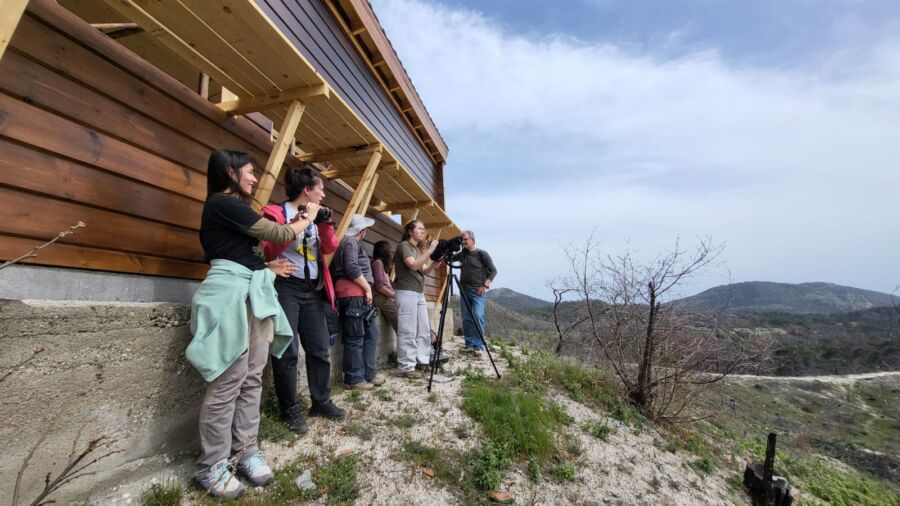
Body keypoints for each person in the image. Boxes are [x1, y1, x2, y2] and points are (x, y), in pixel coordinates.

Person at [188, 149, 309, 499]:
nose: (255, 179)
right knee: (228, 378)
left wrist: (266, 270)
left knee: (253, 376)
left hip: (253, 289)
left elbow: (241, 250)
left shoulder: (234, 210)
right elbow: (278, 233)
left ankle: (245, 453)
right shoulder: (221, 203)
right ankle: (211, 465)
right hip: (228, 293)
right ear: (230, 171)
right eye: (251, 172)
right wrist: (306, 219)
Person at [260, 165, 345, 436]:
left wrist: (324, 223)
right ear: (307, 190)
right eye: (320, 189)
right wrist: (299, 221)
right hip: (285, 286)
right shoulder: (275, 213)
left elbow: (330, 247)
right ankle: (290, 409)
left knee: (319, 348)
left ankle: (321, 401)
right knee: (288, 350)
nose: (323, 194)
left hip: (312, 290)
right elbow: (268, 247)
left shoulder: (317, 216)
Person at [331, 215, 385, 389]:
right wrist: (368, 289)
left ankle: (368, 373)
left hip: (358, 295)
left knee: (370, 334)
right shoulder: (350, 242)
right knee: (355, 337)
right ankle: (353, 378)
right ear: (362, 231)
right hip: (353, 293)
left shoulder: (351, 243)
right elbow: (352, 267)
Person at [394, 220, 441, 378]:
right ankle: (406, 367)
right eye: (420, 228)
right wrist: (430, 250)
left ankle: (421, 360)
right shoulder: (404, 246)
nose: (423, 231)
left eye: (423, 228)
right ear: (410, 231)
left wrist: (433, 265)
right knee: (408, 329)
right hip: (406, 291)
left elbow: (422, 270)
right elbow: (413, 266)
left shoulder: (417, 249)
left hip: (418, 292)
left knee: (423, 328)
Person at [454, 230, 497, 357]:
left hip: (477, 291)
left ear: (472, 239)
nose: (463, 242)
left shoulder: (481, 254)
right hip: (464, 291)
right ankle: (469, 344)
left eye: (465, 239)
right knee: (467, 318)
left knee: (477, 315)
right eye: (462, 240)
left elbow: (493, 271)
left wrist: (485, 285)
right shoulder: (463, 254)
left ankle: (478, 346)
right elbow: (449, 258)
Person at [371, 240, 398, 333]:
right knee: (400, 321)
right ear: (384, 251)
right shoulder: (377, 263)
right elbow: (379, 287)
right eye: (389, 250)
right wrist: (394, 296)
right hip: (380, 297)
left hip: (386, 296)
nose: (390, 252)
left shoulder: (382, 264)